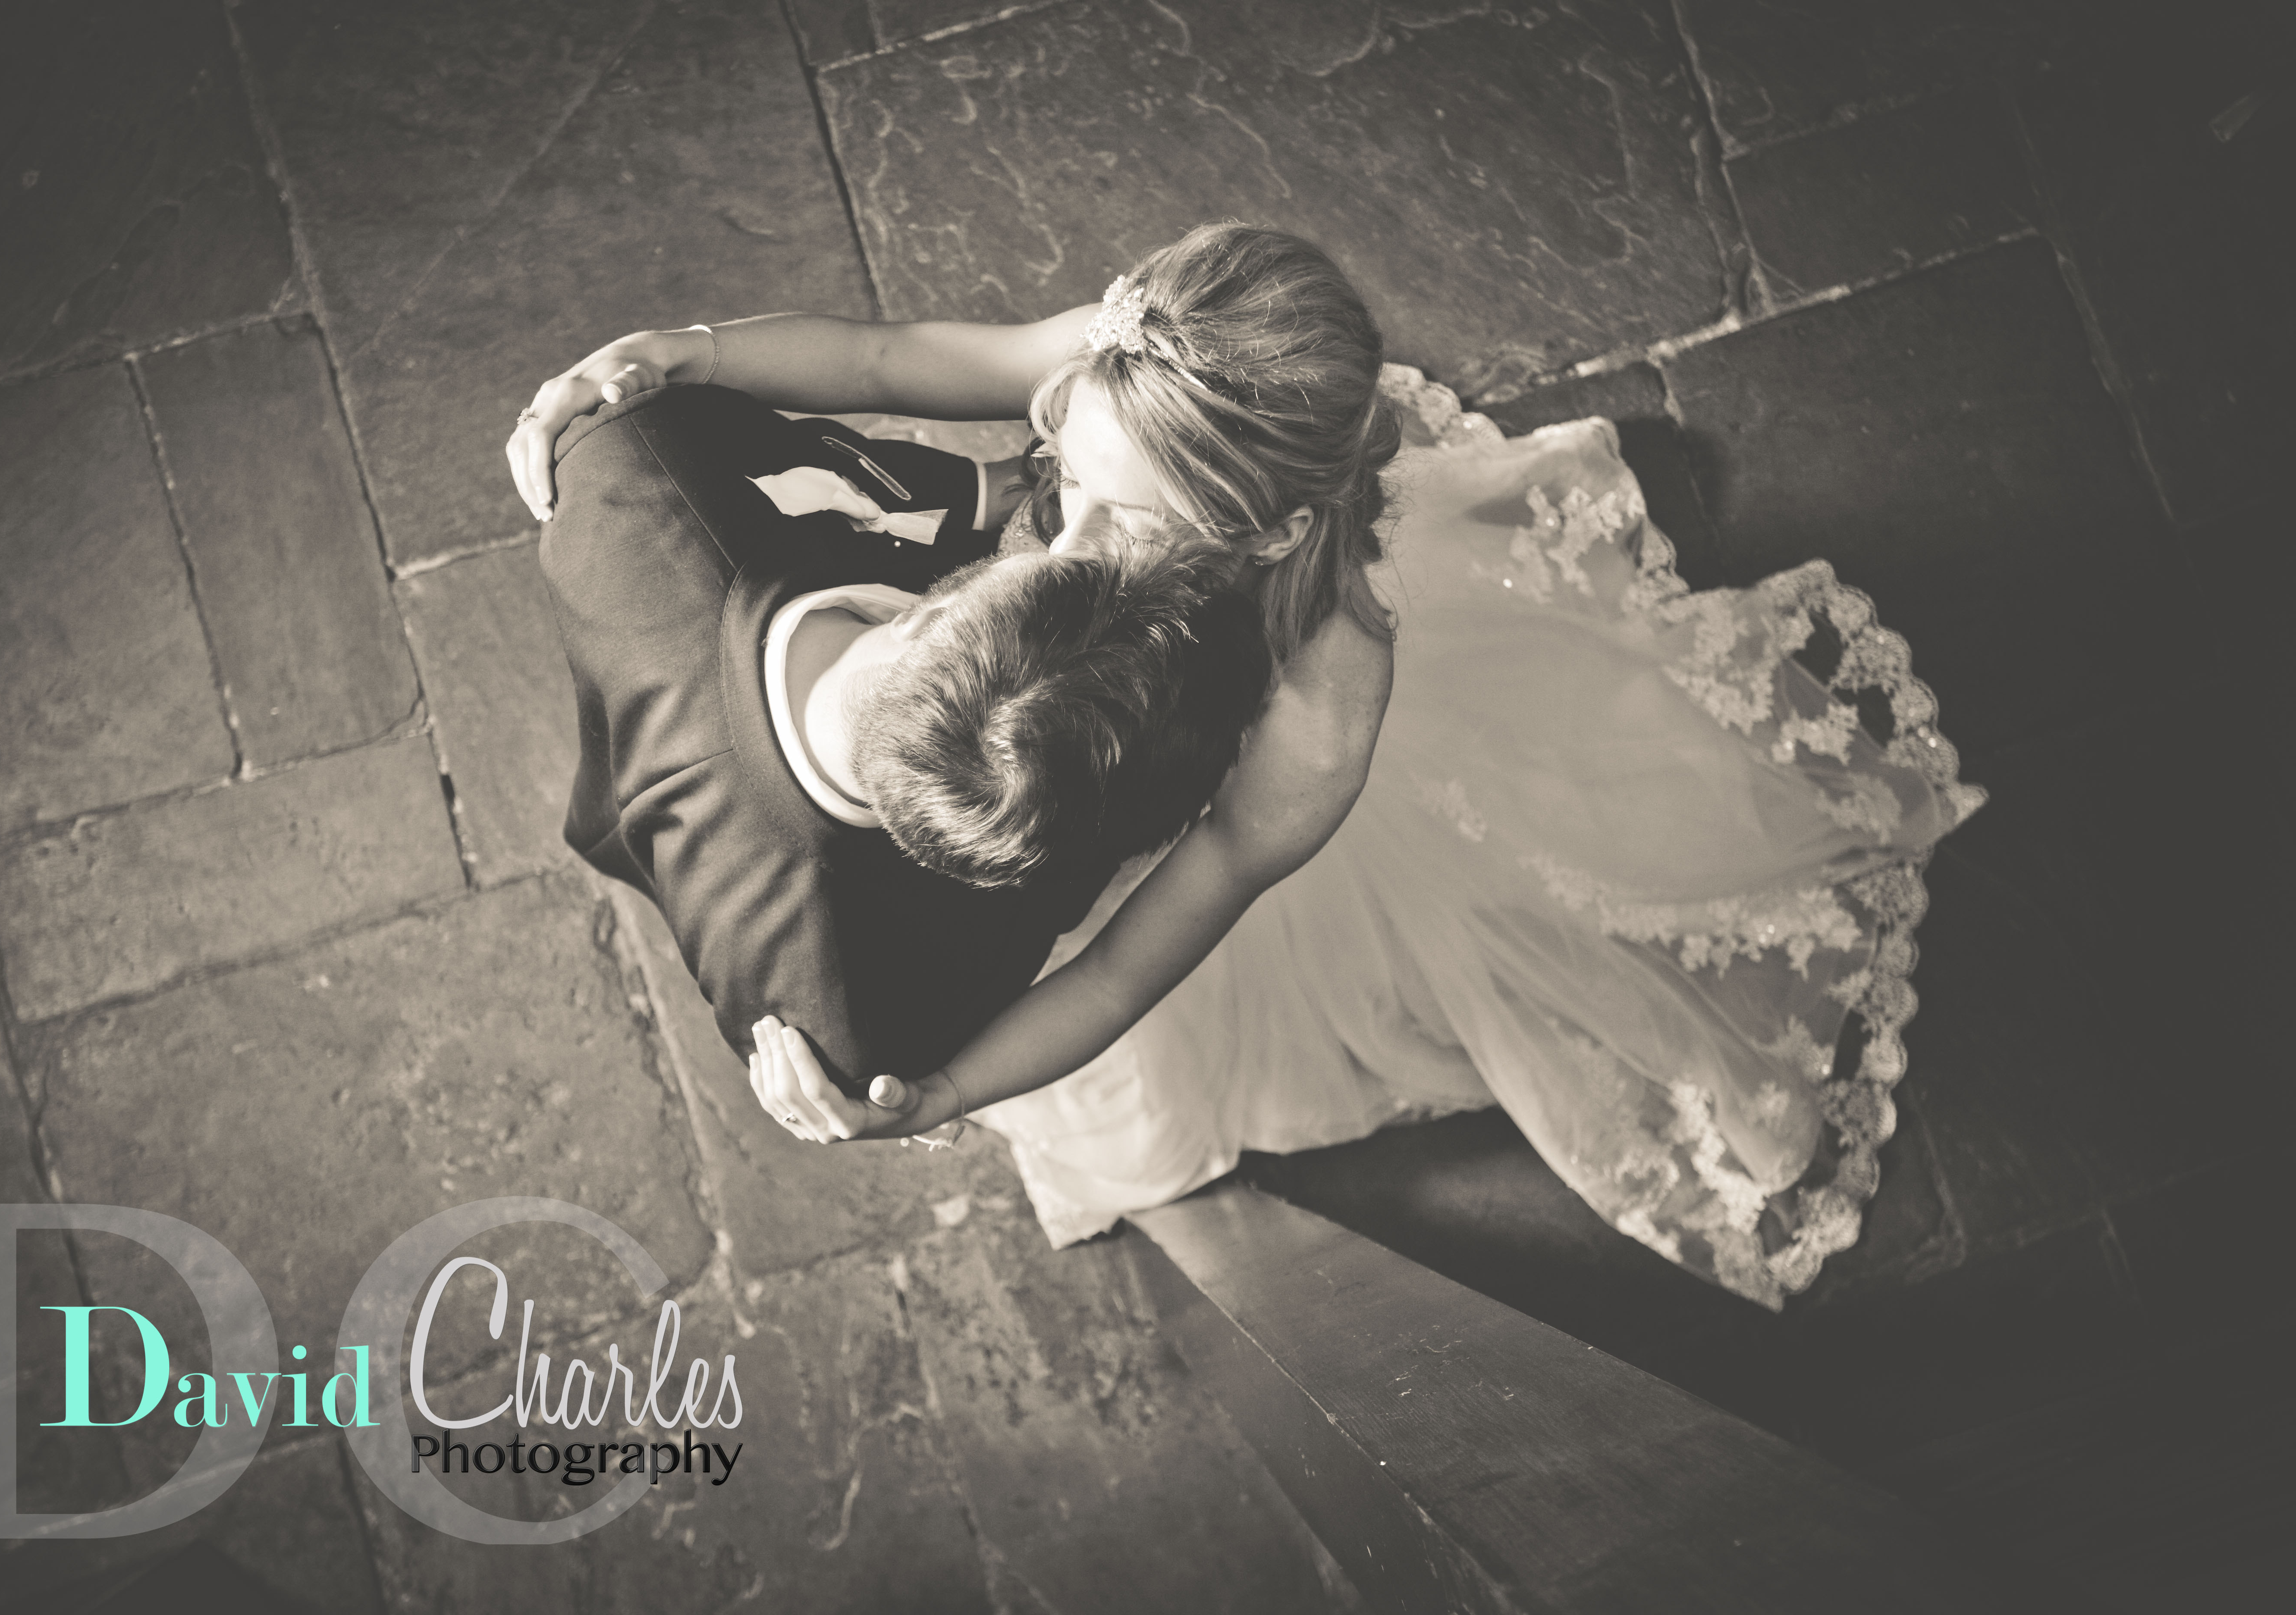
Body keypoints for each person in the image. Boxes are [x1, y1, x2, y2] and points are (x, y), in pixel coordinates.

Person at [509, 223, 1986, 1310]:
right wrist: (695, 351)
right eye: (1072, 481)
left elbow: (1137, 952)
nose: (1063, 547)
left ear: (1270, 535)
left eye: (1129, 522)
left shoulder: (1322, 699)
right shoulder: (1137, 385)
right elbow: (899, 359)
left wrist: (947, 1086)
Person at [535, 378, 1267, 1109]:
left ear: (926, 617)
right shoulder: (855, 1018)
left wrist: (996, 487)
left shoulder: (629, 470)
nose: (1073, 532)